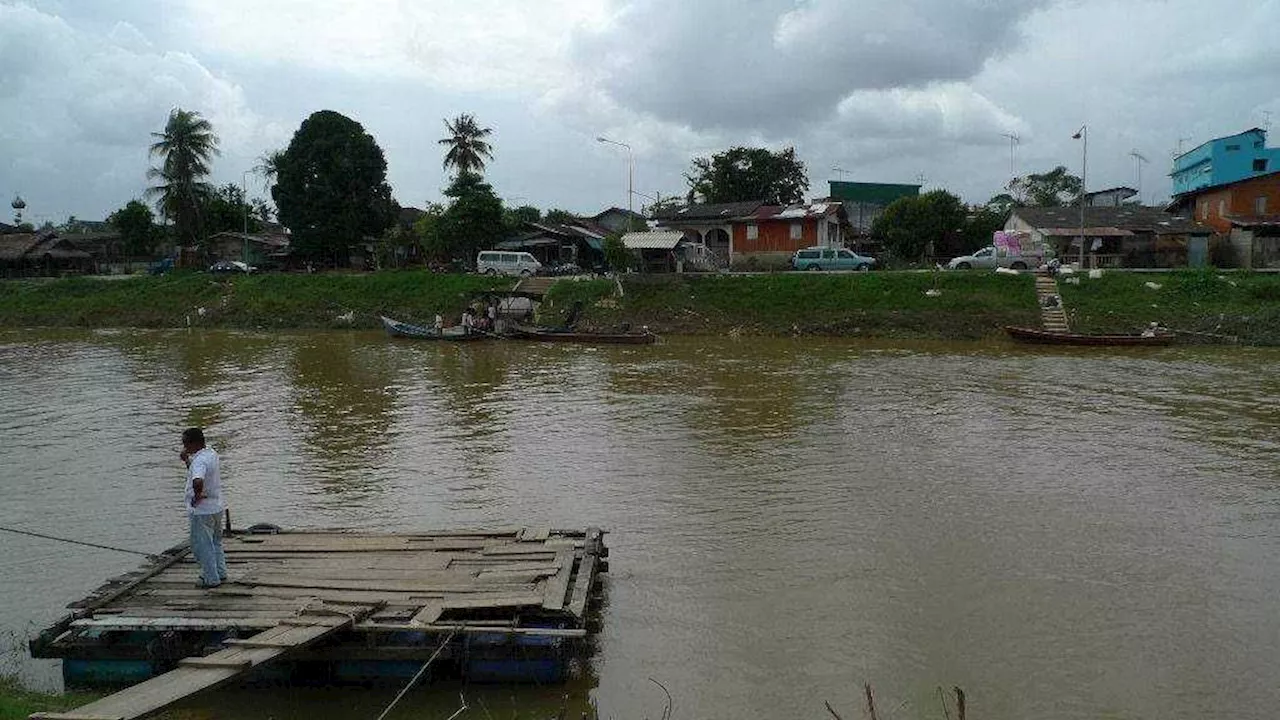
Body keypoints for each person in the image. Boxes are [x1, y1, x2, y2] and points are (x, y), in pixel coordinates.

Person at [180, 427, 227, 589]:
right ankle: (220, 572)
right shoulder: (211, 454)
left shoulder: (199, 461)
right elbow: (198, 472)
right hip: (216, 506)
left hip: (202, 511)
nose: (184, 446)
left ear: (194, 443)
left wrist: (197, 495)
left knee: (202, 545)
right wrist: (187, 462)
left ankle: (210, 578)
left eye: (185, 443)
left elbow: (198, 480)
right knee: (215, 542)